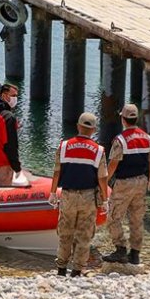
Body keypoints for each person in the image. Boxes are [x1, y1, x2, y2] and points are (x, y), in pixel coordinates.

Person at [48, 112, 109, 277]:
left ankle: (61, 268)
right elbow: (102, 177)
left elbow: (56, 172)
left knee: (65, 232)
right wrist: (105, 199)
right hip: (89, 196)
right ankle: (77, 270)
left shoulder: (64, 146)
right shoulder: (99, 150)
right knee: (84, 234)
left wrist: (53, 193)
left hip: (67, 195)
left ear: (78, 126)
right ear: (94, 130)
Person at [102, 104, 150, 265]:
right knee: (136, 218)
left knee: (113, 217)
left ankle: (120, 249)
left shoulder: (120, 140)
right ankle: (135, 254)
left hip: (124, 183)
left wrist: (103, 183)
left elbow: (113, 164)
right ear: (136, 119)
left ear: (123, 119)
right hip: (142, 181)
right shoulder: (148, 138)